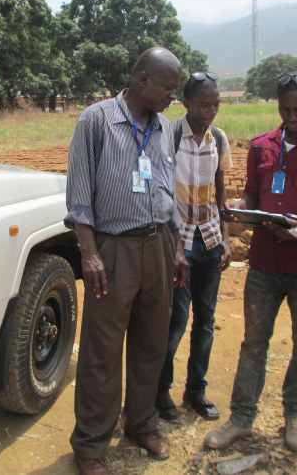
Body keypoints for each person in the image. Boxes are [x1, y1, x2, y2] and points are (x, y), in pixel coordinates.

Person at [203, 71, 297, 453]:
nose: (292, 116)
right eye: (285, 108)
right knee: (254, 343)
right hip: (265, 263)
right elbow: (254, 194)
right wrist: (242, 210)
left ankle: (295, 414)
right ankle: (241, 418)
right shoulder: (261, 147)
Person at [64, 47, 190, 475]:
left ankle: (141, 423)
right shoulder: (96, 121)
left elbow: (168, 193)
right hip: (112, 249)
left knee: (151, 343)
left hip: (157, 245)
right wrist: (89, 251)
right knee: (102, 352)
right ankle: (90, 444)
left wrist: (175, 247)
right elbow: (79, 196)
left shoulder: (165, 129)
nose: (174, 95)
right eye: (169, 87)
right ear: (142, 80)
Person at [155, 71, 232, 423]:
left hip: (211, 239)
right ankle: (161, 389)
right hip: (180, 242)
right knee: (176, 319)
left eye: (216, 104)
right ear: (186, 104)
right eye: (205, 104)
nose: (211, 111)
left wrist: (227, 238)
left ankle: (196, 389)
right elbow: (157, 190)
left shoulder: (219, 138)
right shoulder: (168, 136)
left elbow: (220, 192)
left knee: (206, 319)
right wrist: (170, 248)